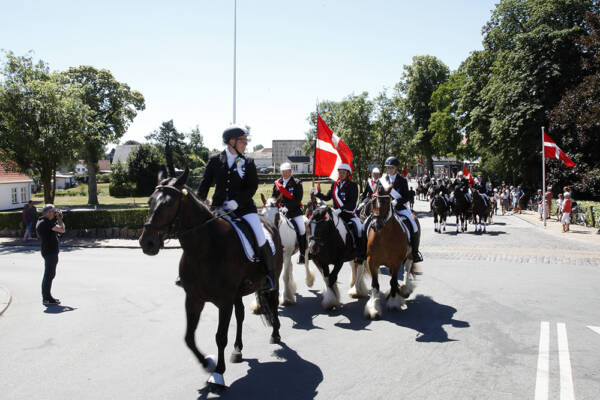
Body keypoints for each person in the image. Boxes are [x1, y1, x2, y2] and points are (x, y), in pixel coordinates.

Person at [197, 125, 276, 291]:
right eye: (243, 141)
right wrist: (201, 201)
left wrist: (237, 202)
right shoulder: (215, 160)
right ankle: (193, 273)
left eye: (246, 141)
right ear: (231, 141)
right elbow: (204, 184)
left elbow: (252, 187)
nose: (245, 144)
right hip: (218, 209)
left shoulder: (248, 162)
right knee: (199, 235)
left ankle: (267, 275)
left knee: (260, 237)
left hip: (244, 209)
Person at [311, 163, 364, 261]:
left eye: (343, 172)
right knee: (320, 225)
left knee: (359, 228)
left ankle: (360, 252)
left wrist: (341, 209)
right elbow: (327, 197)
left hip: (348, 214)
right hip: (335, 214)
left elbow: (352, 203)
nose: (341, 174)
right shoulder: (335, 185)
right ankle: (316, 249)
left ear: (348, 174)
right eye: (339, 172)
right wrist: (316, 193)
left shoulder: (353, 186)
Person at [379, 156, 423, 263]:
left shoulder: (402, 180)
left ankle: (415, 252)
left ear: (396, 168)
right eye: (388, 168)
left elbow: (406, 196)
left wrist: (397, 202)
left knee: (413, 224)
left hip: (400, 208)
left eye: (392, 168)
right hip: (385, 208)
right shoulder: (383, 180)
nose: (389, 170)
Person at [272, 162, 306, 264]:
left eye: (287, 172)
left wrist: (287, 207)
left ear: (291, 171)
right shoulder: (278, 183)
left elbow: (298, 199)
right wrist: (276, 205)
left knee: (302, 229)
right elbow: (274, 197)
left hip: (294, 212)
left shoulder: (297, 183)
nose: (285, 174)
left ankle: (303, 254)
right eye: (283, 172)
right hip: (280, 211)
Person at [35, 204, 65, 305]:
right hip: (50, 252)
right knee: (49, 275)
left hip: (48, 251)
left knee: (49, 274)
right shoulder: (45, 222)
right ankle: (46, 298)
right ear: (48, 213)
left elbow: (55, 229)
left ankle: (48, 297)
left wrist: (56, 218)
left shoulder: (42, 220)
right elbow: (62, 229)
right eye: (53, 211)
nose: (55, 213)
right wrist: (60, 219)